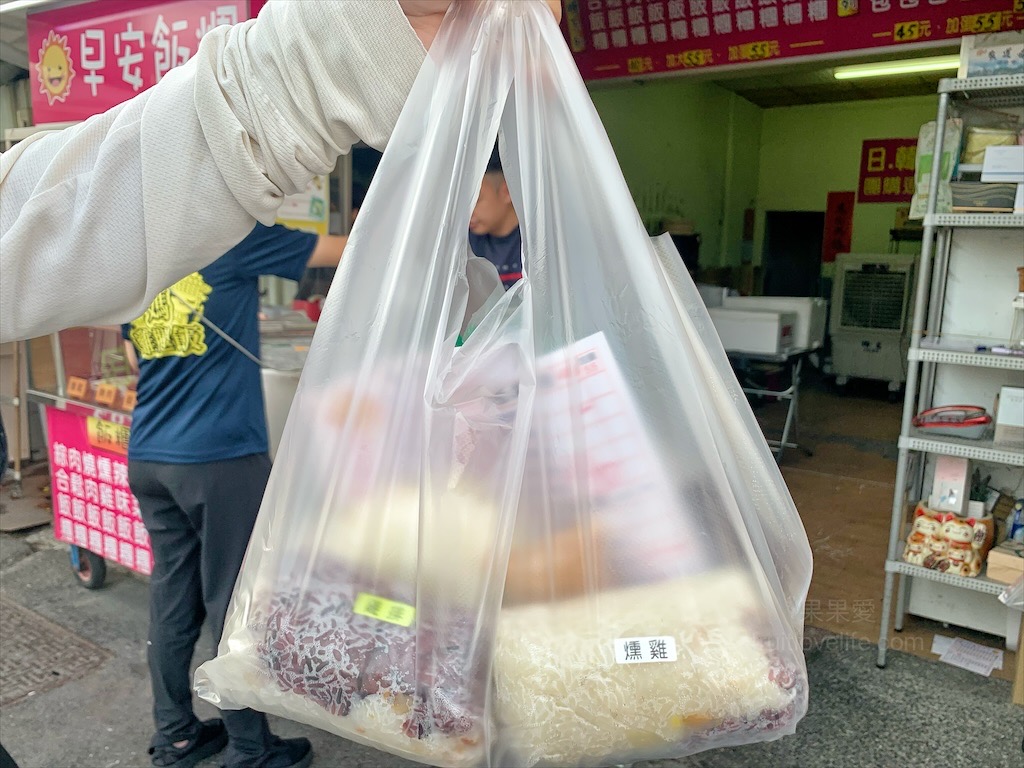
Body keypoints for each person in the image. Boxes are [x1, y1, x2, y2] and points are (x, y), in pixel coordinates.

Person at [0, 0, 561, 345]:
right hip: (217, 450)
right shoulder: (238, 247)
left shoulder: (546, 243)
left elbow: (48, 225)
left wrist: (332, 56)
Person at [124, 223, 345, 768]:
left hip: (150, 456)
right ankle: (250, 748)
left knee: (172, 599)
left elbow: (135, 361)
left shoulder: (139, 261)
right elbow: (344, 248)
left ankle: (175, 736)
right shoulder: (229, 235)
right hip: (218, 458)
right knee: (234, 601)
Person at [469, 149, 522, 290]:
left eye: (475, 199)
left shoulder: (538, 242)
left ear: (507, 191)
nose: (468, 212)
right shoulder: (467, 245)